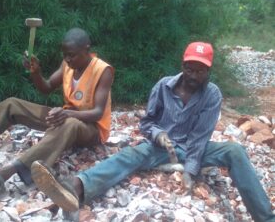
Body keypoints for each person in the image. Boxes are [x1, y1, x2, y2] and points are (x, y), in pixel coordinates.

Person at [30, 42, 275, 222]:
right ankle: (75, 187)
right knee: (129, 156)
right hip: (161, 148)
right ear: (183, 66)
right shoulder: (163, 86)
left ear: (208, 71)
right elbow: (147, 123)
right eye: (191, 69)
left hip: (194, 149)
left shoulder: (212, 94)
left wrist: (190, 170)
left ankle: (264, 217)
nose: (194, 75)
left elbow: (201, 138)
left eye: (201, 71)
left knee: (235, 150)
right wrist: (158, 134)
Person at [0, 28, 114, 195]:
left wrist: (67, 114)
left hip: (91, 130)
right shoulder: (67, 64)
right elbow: (47, 87)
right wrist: (36, 73)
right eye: (64, 54)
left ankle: (5, 174)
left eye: (71, 55)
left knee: (69, 123)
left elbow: (98, 113)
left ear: (86, 49)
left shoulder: (103, 70)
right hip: (65, 118)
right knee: (13, 104)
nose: (67, 59)